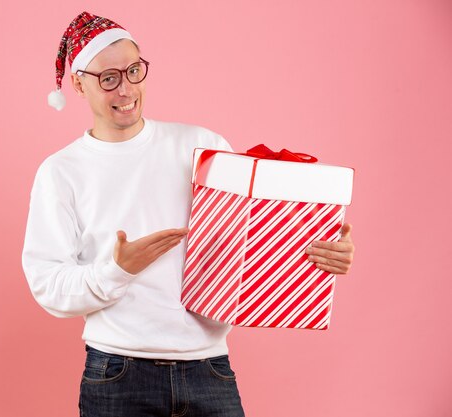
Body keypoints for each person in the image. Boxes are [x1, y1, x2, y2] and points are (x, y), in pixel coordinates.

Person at [22, 11, 355, 417]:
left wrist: (317, 252)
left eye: (133, 71)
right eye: (108, 78)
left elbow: (249, 240)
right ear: (78, 83)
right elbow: (49, 287)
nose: (125, 89)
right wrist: (118, 269)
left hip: (209, 370)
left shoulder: (203, 146)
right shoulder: (61, 171)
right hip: (116, 374)